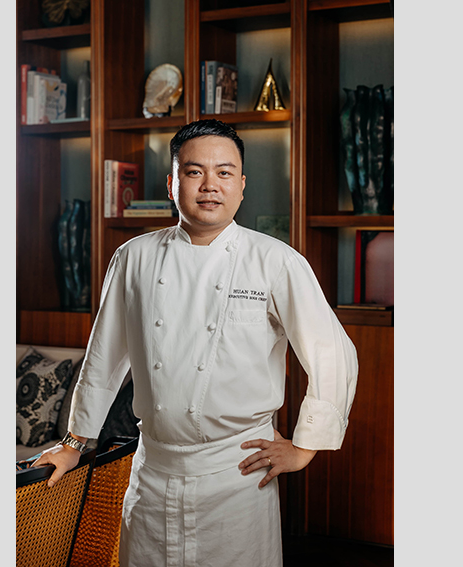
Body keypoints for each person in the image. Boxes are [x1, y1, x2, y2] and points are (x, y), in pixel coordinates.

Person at [32, 119, 358, 566]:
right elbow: (104, 356)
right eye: (193, 172)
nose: (210, 185)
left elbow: (331, 352)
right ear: (172, 184)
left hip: (237, 474)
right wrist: (73, 443)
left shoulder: (275, 260)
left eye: (224, 172)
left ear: (241, 186)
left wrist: (305, 447)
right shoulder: (133, 257)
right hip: (153, 471)